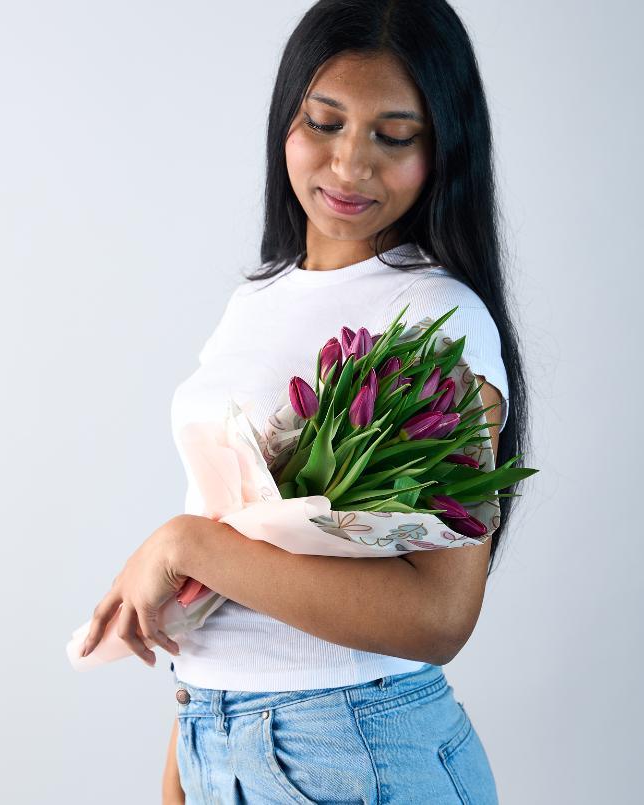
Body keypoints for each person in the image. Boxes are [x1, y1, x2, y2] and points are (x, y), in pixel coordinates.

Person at [81, 0, 530, 802]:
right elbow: (235, 551)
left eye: (393, 136)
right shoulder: (257, 300)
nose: (349, 164)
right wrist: (184, 757)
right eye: (323, 122)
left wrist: (184, 544)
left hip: (348, 749)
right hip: (222, 736)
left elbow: (438, 617)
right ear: (284, 119)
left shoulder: (434, 319)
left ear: (444, 148)